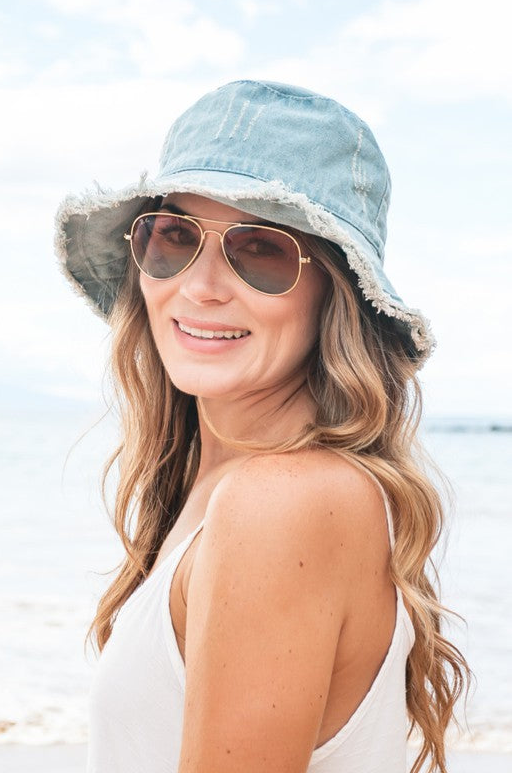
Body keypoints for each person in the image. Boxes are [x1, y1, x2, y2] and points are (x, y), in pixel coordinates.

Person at [54, 79, 470, 773]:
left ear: (334, 292)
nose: (200, 286)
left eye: (260, 250)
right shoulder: (226, 490)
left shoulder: (280, 503)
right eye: (173, 237)